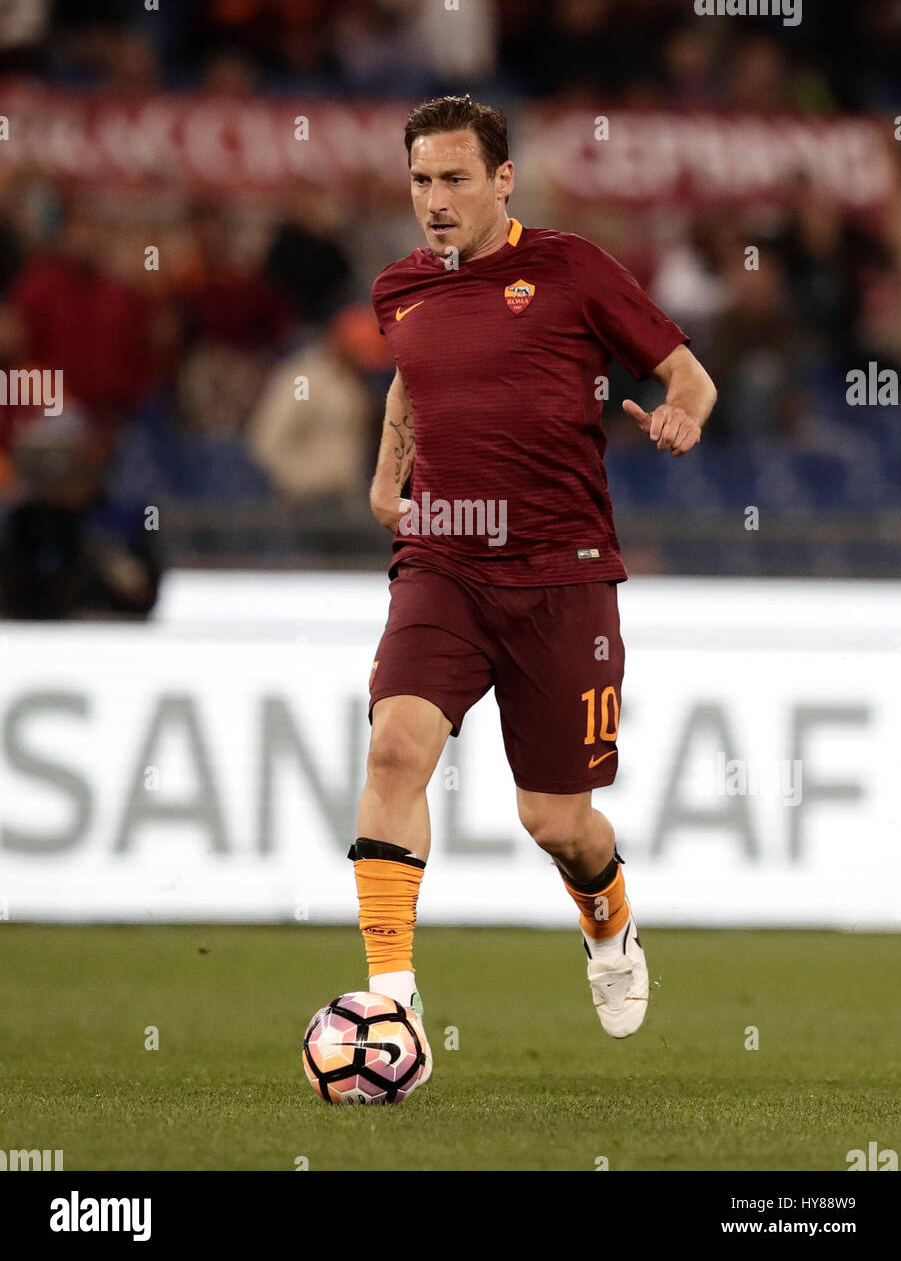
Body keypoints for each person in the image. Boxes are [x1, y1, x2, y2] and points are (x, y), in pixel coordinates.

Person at [351, 96, 716, 1083]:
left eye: (455, 179)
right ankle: (393, 997)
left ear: (502, 181)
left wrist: (682, 415)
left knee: (555, 819)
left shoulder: (568, 267)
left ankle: (609, 923)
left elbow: (689, 374)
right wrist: (391, 474)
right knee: (393, 749)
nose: (435, 200)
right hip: (443, 562)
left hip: (565, 577)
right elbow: (409, 377)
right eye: (421, 180)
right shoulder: (399, 290)